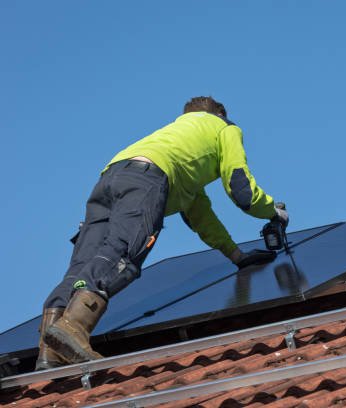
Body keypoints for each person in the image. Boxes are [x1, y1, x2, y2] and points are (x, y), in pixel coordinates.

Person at [36, 96, 289, 369]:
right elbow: (242, 190)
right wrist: (273, 212)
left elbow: (200, 216)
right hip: (147, 177)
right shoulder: (224, 128)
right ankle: (73, 326)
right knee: (124, 254)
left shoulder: (176, 144)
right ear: (220, 114)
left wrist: (236, 255)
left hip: (111, 175)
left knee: (83, 264)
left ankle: (49, 354)